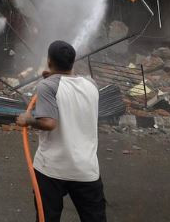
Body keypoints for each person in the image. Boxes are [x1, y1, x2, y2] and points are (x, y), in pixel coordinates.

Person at [17, 40, 106, 222]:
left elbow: (49, 123)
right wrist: (51, 78)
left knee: (47, 218)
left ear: (49, 61)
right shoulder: (91, 85)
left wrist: (28, 120)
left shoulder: (47, 87)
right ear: (72, 62)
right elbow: (69, 86)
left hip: (52, 169)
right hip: (86, 169)